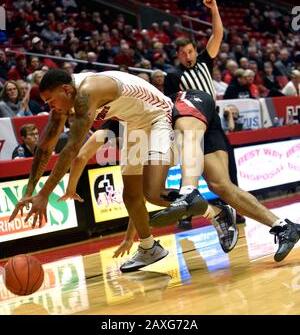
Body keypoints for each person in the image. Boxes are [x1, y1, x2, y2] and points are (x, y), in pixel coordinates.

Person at [10, 68, 229, 273]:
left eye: (51, 101)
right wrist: (30, 190)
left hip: (157, 115)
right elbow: (44, 149)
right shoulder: (64, 101)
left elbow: (72, 149)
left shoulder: (88, 92)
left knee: (152, 193)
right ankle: (149, 247)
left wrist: (45, 195)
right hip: (132, 123)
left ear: (66, 90)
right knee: (131, 195)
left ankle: (216, 212)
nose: (51, 107)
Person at [149, 89, 300, 263]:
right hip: (190, 117)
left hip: (186, 105)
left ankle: (190, 193)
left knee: (161, 186)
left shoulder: (133, 114)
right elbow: (140, 192)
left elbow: (136, 192)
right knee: (221, 186)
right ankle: (284, 227)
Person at [164, 0, 245, 227]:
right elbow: (172, 107)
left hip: (214, 122)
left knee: (228, 167)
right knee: (191, 168)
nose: (188, 56)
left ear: (194, 50)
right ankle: (185, 214)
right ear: (177, 55)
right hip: (191, 125)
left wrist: (215, 9)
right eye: (183, 54)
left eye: (190, 51)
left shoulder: (204, 61)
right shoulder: (173, 76)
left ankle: (234, 208)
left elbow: (217, 35)